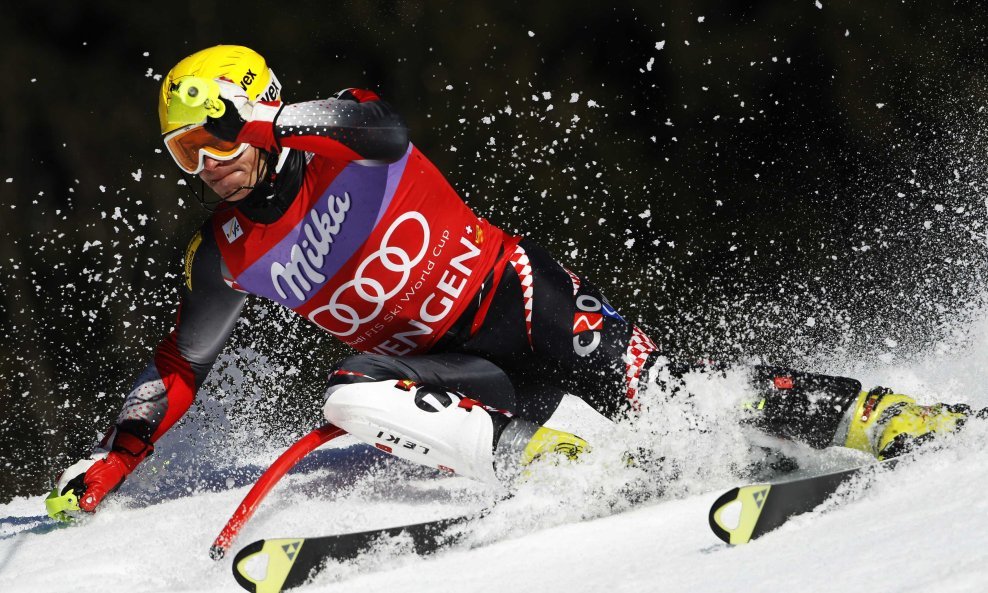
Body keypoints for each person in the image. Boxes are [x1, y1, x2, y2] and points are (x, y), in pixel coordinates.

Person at [47, 45, 981, 518]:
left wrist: (269, 122)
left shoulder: (338, 136)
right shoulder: (226, 249)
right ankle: (565, 461)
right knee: (348, 394)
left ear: (254, 111)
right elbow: (180, 363)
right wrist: (118, 458)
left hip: (521, 299)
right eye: (181, 153)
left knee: (685, 393)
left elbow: (386, 132)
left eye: (210, 138)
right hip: (457, 377)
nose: (203, 165)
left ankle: (884, 415)